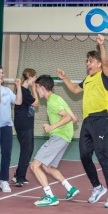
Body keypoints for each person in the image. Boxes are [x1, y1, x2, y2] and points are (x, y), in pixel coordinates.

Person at [57, 34, 108, 208]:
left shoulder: (105, 76)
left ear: (99, 64)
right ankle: (98, 187)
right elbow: (75, 90)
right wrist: (65, 78)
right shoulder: (88, 79)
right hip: (87, 121)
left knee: (102, 155)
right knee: (85, 155)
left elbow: (106, 63)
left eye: (91, 61)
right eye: (87, 61)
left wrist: (102, 45)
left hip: (101, 119)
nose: (88, 64)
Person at [29, 75, 80, 206]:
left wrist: (51, 127)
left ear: (42, 87)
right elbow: (75, 118)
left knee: (34, 166)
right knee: (47, 167)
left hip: (58, 137)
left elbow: (68, 117)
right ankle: (70, 188)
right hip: (66, 138)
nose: (36, 90)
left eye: (37, 87)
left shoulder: (52, 102)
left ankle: (49, 196)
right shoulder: (58, 98)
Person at [13, 68, 39, 187]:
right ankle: (19, 177)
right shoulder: (24, 91)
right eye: (34, 77)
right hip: (23, 124)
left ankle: (19, 174)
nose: (35, 79)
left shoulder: (25, 91)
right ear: (29, 77)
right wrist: (34, 90)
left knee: (28, 149)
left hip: (26, 124)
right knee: (27, 150)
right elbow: (36, 103)